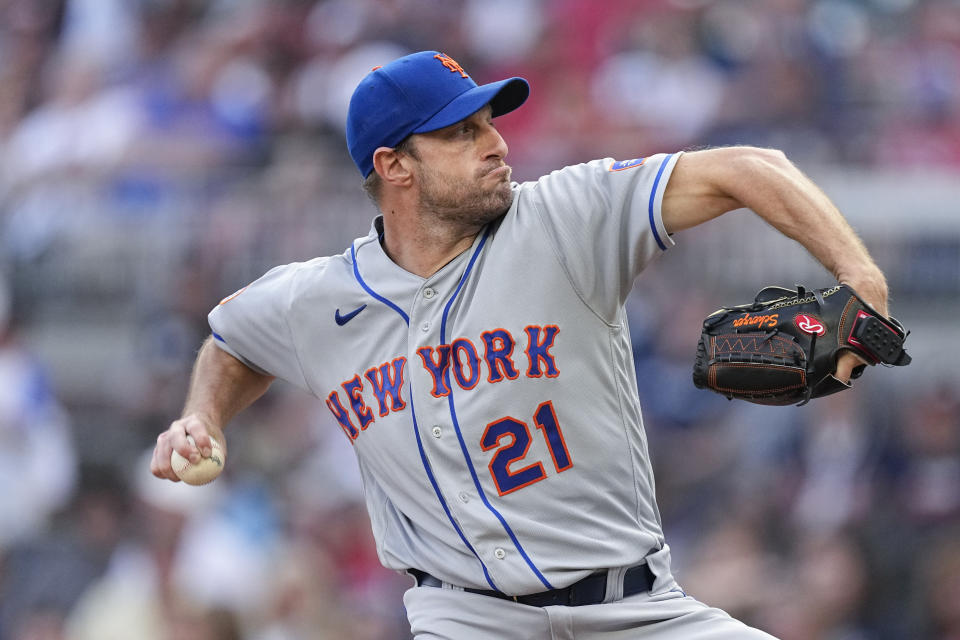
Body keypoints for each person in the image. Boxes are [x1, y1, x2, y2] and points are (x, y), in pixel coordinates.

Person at [151, 50, 889, 639]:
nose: (497, 144)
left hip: (631, 610)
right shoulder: (317, 298)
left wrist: (858, 275)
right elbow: (232, 341)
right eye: (462, 132)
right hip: (465, 618)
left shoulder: (566, 217)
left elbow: (749, 168)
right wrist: (204, 417)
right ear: (394, 166)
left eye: (491, 123)